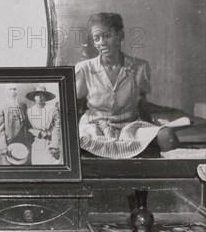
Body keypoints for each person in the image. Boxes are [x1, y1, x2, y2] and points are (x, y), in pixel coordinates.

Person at [75, 12, 179, 158]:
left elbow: (142, 103)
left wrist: (155, 126)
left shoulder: (140, 67)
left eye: (107, 36)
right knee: (77, 142)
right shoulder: (84, 68)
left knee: (167, 134)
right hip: (95, 127)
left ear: (120, 36)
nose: (101, 42)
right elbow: (71, 105)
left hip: (130, 127)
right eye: (96, 38)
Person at [25, 86, 62, 164]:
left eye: (43, 94)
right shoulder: (29, 111)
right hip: (37, 144)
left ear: (46, 97)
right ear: (34, 97)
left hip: (50, 143)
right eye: (38, 94)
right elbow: (28, 127)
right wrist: (39, 133)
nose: (40, 97)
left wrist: (54, 146)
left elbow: (57, 127)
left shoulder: (52, 110)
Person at [0, 84, 31, 165]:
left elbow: (26, 124)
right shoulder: (2, 106)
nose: (13, 92)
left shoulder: (23, 105)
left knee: (23, 166)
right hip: (9, 141)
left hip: (23, 140)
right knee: (9, 167)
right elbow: (0, 127)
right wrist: (3, 146)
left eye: (14, 89)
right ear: (6, 91)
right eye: (10, 89)